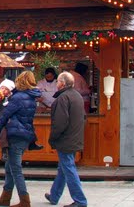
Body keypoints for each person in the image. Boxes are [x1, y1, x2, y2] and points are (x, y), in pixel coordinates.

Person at [0, 70, 40, 207]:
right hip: (25, 134)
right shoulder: (31, 98)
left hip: (15, 135)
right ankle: (5, 197)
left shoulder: (18, 98)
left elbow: (5, 115)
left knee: (16, 169)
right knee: (10, 166)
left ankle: (25, 200)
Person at [44, 72, 87, 207]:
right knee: (63, 168)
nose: (56, 84)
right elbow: (83, 118)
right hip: (74, 137)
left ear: (62, 83)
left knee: (68, 168)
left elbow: (60, 123)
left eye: (58, 82)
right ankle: (54, 195)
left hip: (65, 139)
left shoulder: (63, 98)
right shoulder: (77, 96)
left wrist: (52, 138)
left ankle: (80, 200)